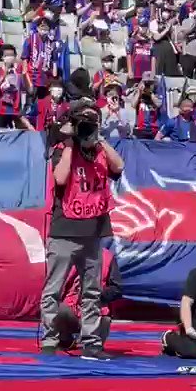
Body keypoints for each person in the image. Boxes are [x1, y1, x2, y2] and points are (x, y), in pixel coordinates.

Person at [40, 97, 124, 359]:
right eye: (84, 122)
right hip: (64, 230)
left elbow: (119, 166)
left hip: (93, 231)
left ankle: (91, 343)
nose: (87, 126)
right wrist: (70, 143)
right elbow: (60, 178)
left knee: (91, 291)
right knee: (53, 289)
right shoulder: (62, 148)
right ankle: (50, 340)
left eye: (92, 121)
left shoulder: (100, 149)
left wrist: (99, 139)